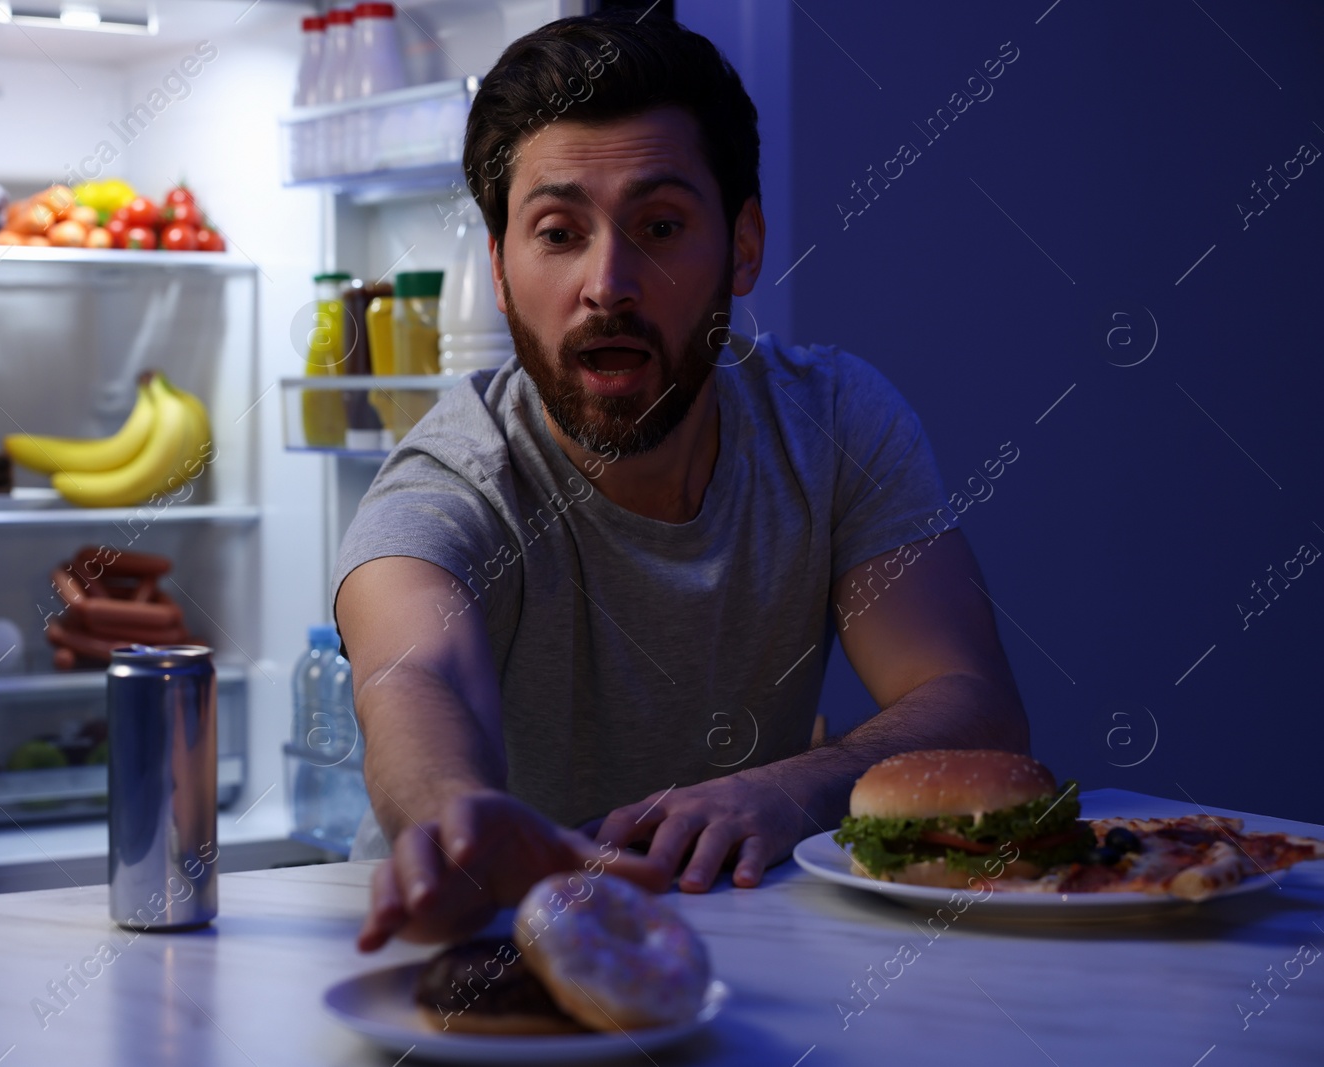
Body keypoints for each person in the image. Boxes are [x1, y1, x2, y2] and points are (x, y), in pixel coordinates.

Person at [334, 11, 1028, 953]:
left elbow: (973, 701)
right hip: (478, 962)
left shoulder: (831, 422)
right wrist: (453, 812)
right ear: (497, 270)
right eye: (557, 232)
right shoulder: (454, 477)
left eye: (660, 225)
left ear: (743, 246)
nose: (607, 282)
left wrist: (790, 786)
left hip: (743, 964)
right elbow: (412, 674)